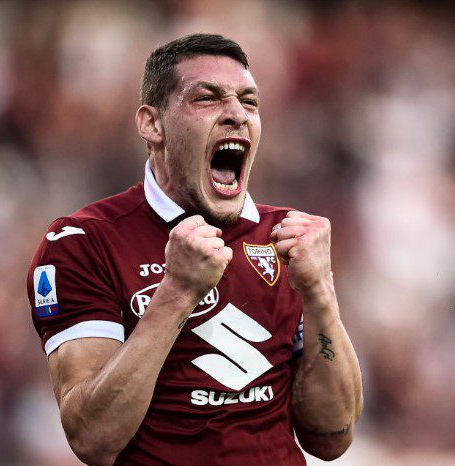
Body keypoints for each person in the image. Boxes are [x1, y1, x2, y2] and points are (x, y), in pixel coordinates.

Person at [27, 34, 362, 465]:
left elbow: (331, 438)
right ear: (152, 124)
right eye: (207, 98)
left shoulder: (286, 239)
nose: (237, 114)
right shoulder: (83, 242)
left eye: (249, 102)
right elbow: (93, 438)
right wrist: (177, 292)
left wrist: (319, 293)